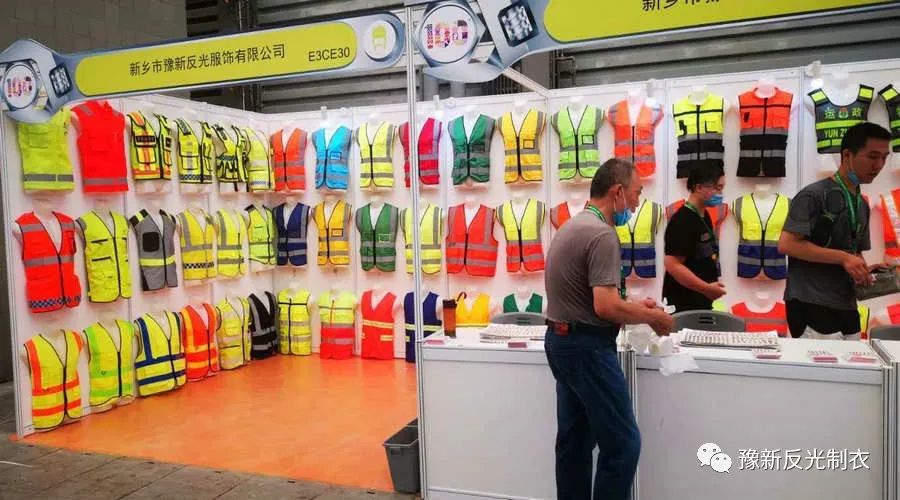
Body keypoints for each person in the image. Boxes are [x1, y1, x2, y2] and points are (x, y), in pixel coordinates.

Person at [544, 158, 673, 500]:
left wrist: (635, 305)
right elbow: (605, 307)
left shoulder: (573, 226)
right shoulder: (602, 234)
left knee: (574, 443)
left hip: (562, 343)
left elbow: (597, 297)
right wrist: (652, 318)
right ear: (617, 192)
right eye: (636, 193)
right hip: (586, 348)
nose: (637, 202)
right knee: (623, 444)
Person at [778, 122, 891, 339]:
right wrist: (843, 258)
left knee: (853, 360)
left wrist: (864, 269)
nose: (879, 165)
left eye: (884, 158)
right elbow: (787, 244)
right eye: (872, 156)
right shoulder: (813, 195)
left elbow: (854, 252)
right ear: (847, 155)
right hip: (810, 301)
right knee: (817, 362)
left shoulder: (861, 203)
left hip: (847, 303)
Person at [662, 164, 727, 312]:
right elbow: (673, 265)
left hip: (701, 300)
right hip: (683, 303)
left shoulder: (704, 215)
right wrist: (706, 289)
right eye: (717, 188)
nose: (720, 193)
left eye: (722, 188)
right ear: (698, 187)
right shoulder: (682, 220)